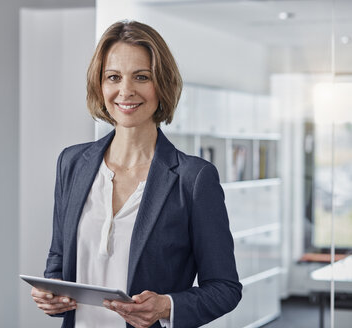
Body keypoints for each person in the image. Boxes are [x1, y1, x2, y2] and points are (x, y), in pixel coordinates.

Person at [31, 20, 242, 328]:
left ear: (162, 85)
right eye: (113, 77)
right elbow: (58, 261)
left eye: (141, 77)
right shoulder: (72, 163)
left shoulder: (193, 178)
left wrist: (166, 306)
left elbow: (225, 288)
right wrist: (52, 294)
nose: (125, 91)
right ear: (99, 86)